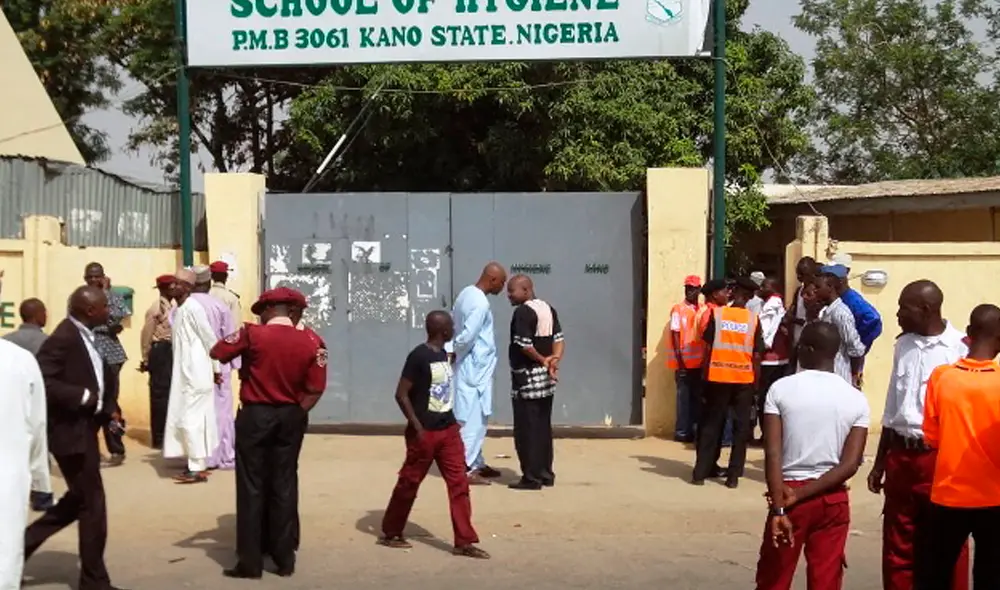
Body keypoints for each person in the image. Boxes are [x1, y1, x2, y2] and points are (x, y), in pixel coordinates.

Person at [210, 287, 328, 578]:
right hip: (291, 414)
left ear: (268, 310)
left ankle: (250, 562)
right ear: (293, 311)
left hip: (255, 415)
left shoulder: (252, 334)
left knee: (252, 486)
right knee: (284, 484)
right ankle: (284, 558)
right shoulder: (313, 341)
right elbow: (316, 388)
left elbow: (218, 351)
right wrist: (295, 413)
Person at [867, 280, 969, 590]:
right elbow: (891, 406)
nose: (897, 314)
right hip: (902, 457)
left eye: (903, 307)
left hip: (940, 458)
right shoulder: (903, 345)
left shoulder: (960, 349)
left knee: (949, 542)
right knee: (899, 542)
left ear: (926, 310)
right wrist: (881, 461)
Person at [755, 321, 870, 590]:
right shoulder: (855, 398)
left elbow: (772, 452)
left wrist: (780, 506)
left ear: (806, 348)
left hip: (788, 492)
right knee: (826, 579)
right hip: (833, 499)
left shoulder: (781, 389)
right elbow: (850, 464)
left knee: (774, 577)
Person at [25, 286, 125, 590]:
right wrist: (81, 396)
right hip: (70, 435)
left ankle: (19, 547)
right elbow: (43, 380)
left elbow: (99, 375)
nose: (110, 311)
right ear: (90, 310)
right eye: (105, 307)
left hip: (87, 430)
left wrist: (109, 411)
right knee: (93, 505)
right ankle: (95, 582)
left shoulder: (90, 335)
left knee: (78, 501)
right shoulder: (63, 337)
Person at [378, 310, 490, 559]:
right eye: (451, 326)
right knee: (410, 481)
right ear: (444, 330)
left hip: (448, 430)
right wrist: (416, 426)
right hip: (425, 432)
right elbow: (401, 393)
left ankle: (464, 541)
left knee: (459, 483)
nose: (454, 329)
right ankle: (392, 531)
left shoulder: (443, 354)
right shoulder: (419, 356)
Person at [915, 304, 1000, 589]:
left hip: (948, 495)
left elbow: (932, 437)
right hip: (994, 497)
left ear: (968, 334)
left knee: (935, 573)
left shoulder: (941, 377)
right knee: (990, 574)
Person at [693, 277, 764, 488]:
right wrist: (756, 384)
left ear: (733, 293)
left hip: (718, 377)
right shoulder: (754, 320)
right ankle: (733, 477)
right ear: (750, 297)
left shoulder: (718, 314)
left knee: (711, 425)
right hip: (743, 379)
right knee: (741, 429)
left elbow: (707, 345)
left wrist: (705, 376)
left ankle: (700, 473)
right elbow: (757, 355)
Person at [448, 262, 507, 485]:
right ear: (492, 279)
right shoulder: (480, 303)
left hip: (469, 366)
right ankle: (465, 468)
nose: (503, 287)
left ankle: (477, 461)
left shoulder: (466, 294)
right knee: (475, 418)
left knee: (472, 413)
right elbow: (467, 335)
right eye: (502, 282)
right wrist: (453, 351)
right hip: (475, 368)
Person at [506, 275, 565, 491]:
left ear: (526, 290)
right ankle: (545, 473)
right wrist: (553, 360)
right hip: (546, 380)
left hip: (526, 378)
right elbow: (559, 339)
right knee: (542, 427)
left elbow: (523, 345)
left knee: (526, 429)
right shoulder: (547, 308)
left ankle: (531, 478)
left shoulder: (522, 312)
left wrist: (542, 360)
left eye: (512, 291)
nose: (509, 295)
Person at [163, 268, 221, 484]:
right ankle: (196, 465)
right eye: (172, 282)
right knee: (189, 419)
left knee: (191, 421)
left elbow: (210, 340)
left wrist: (215, 369)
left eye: (177, 283)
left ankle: (196, 469)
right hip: (186, 375)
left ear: (188, 288)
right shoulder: (181, 309)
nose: (172, 286)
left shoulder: (194, 308)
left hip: (196, 375)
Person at [0, 337, 48, 590]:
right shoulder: (20, 360)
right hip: (8, 476)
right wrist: (41, 479)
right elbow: (38, 424)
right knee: (5, 549)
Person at [3, 298, 53, 511]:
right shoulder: (48, 342)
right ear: (37, 315)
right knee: (39, 444)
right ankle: (40, 493)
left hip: (8, 403)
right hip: (36, 398)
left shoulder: (7, 341)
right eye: (44, 312)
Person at [190, 265, 240, 471]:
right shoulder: (221, 305)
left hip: (193, 366)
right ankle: (226, 456)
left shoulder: (183, 307)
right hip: (220, 363)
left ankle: (202, 457)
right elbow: (232, 335)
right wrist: (236, 364)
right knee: (223, 411)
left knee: (197, 411)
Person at [83, 263, 131, 467]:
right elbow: (86, 320)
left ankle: (117, 449)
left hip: (111, 354)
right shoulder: (79, 297)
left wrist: (106, 293)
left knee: (110, 403)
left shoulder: (110, 295)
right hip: (87, 352)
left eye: (97, 277)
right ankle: (88, 448)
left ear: (104, 277)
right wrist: (110, 324)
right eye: (90, 277)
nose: (94, 281)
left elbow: (119, 314)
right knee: (88, 404)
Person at [666, 275, 704, 443]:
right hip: (683, 363)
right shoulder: (678, 309)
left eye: (693, 288)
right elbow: (675, 334)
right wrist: (680, 361)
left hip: (700, 363)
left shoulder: (702, 309)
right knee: (683, 400)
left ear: (699, 290)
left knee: (697, 400)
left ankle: (695, 430)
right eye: (687, 288)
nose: (690, 291)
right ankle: (682, 432)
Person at [139, 274, 175, 450]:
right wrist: (146, 357)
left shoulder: (175, 305)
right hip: (160, 350)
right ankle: (158, 437)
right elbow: (146, 334)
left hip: (173, 349)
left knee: (172, 393)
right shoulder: (156, 309)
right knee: (159, 394)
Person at [814, 272, 866, 387]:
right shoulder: (826, 312)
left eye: (818, 287)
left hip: (839, 374)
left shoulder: (841, 313)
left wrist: (854, 376)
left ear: (830, 288)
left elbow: (856, 348)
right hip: (826, 375)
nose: (815, 291)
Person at [755, 277, 790, 441]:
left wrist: (759, 347)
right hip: (779, 359)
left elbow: (766, 332)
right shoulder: (775, 303)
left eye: (764, 285)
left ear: (774, 288)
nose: (760, 288)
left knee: (765, 399)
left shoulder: (772, 304)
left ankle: (768, 435)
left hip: (770, 360)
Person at [824, 263, 883, 354]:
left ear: (840, 280)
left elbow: (874, 319)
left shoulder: (853, 300)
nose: (826, 280)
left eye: (829, 277)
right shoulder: (839, 297)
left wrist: (859, 340)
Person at [786, 257, 819, 346]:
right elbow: (792, 310)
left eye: (803, 273)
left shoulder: (817, 292)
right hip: (797, 339)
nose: (799, 276)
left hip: (810, 342)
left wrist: (794, 320)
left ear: (812, 274)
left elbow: (814, 323)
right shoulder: (799, 290)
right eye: (798, 272)